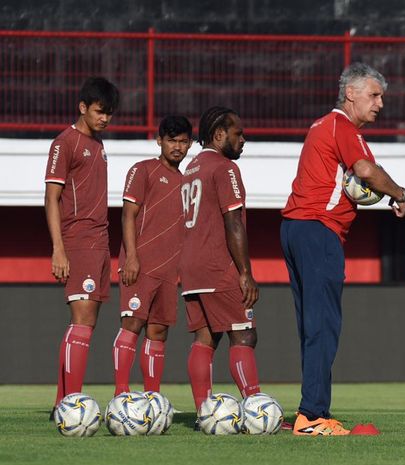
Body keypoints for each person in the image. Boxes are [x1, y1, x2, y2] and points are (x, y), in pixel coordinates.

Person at [280, 62, 405, 436]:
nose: (380, 103)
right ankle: (313, 417)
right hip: (319, 231)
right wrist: (399, 193)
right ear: (350, 93)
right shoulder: (342, 126)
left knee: (311, 326)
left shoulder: (320, 126)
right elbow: (365, 171)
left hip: (295, 228)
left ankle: (307, 410)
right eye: (374, 94)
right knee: (324, 326)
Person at [179, 106, 261, 426]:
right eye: (237, 133)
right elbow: (234, 223)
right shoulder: (224, 168)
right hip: (217, 264)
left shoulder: (189, 168)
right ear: (218, 135)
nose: (243, 139)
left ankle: (205, 413)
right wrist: (245, 273)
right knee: (244, 335)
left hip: (191, 268)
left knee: (205, 339)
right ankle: (256, 409)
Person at [45, 77, 120, 418]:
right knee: (83, 319)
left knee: (85, 322)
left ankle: (63, 402)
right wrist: (58, 248)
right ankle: (71, 405)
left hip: (100, 241)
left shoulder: (98, 144)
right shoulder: (66, 142)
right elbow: (51, 197)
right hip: (78, 240)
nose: (105, 119)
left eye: (109, 114)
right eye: (100, 112)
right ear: (83, 108)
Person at [112, 116, 193, 395]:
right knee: (132, 324)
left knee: (159, 332)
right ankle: (121, 393)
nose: (178, 147)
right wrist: (131, 257)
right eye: (172, 140)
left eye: (183, 141)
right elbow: (127, 215)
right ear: (159, 141)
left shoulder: (187, 183)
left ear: (190, 144)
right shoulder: (143, 170)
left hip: (170, 273)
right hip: (141, 264)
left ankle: (152, 397)